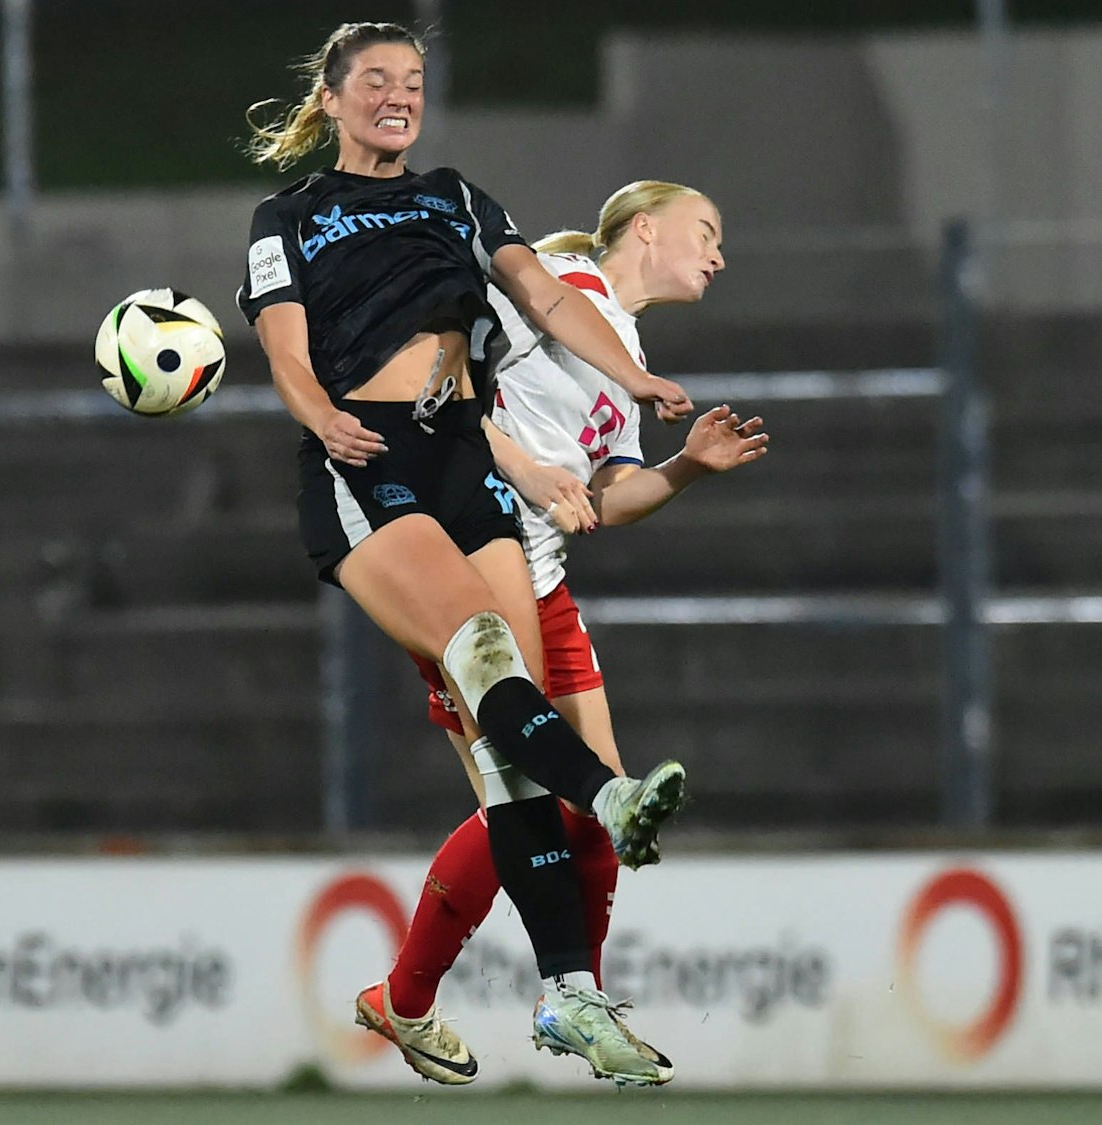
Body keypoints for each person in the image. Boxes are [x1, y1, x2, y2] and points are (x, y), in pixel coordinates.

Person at [239, 23, 693, 1086]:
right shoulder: (287, 218)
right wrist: (321, 419)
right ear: (333, 98)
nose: (399, 97)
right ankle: (610, 802)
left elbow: (539, 296)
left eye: (414, 82)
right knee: (485, 652)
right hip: (365, 457)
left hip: (456, 453)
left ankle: (567, 996)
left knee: (507, 738)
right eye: (378, 82)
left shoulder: (455, 195)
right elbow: (285, 351)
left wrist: (632, 385)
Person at [358, 182, 767, 1087]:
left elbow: (610, 498)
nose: (718, 255)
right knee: (533, 800)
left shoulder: (625, 354)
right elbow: (444, 383)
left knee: (603, 809)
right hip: (464, 571)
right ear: (646, 230)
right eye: (708, 231)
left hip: (541, 580)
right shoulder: (547, 284)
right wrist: (528, 467)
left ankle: (568, 999)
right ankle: (447, 995)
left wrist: (688, 469)